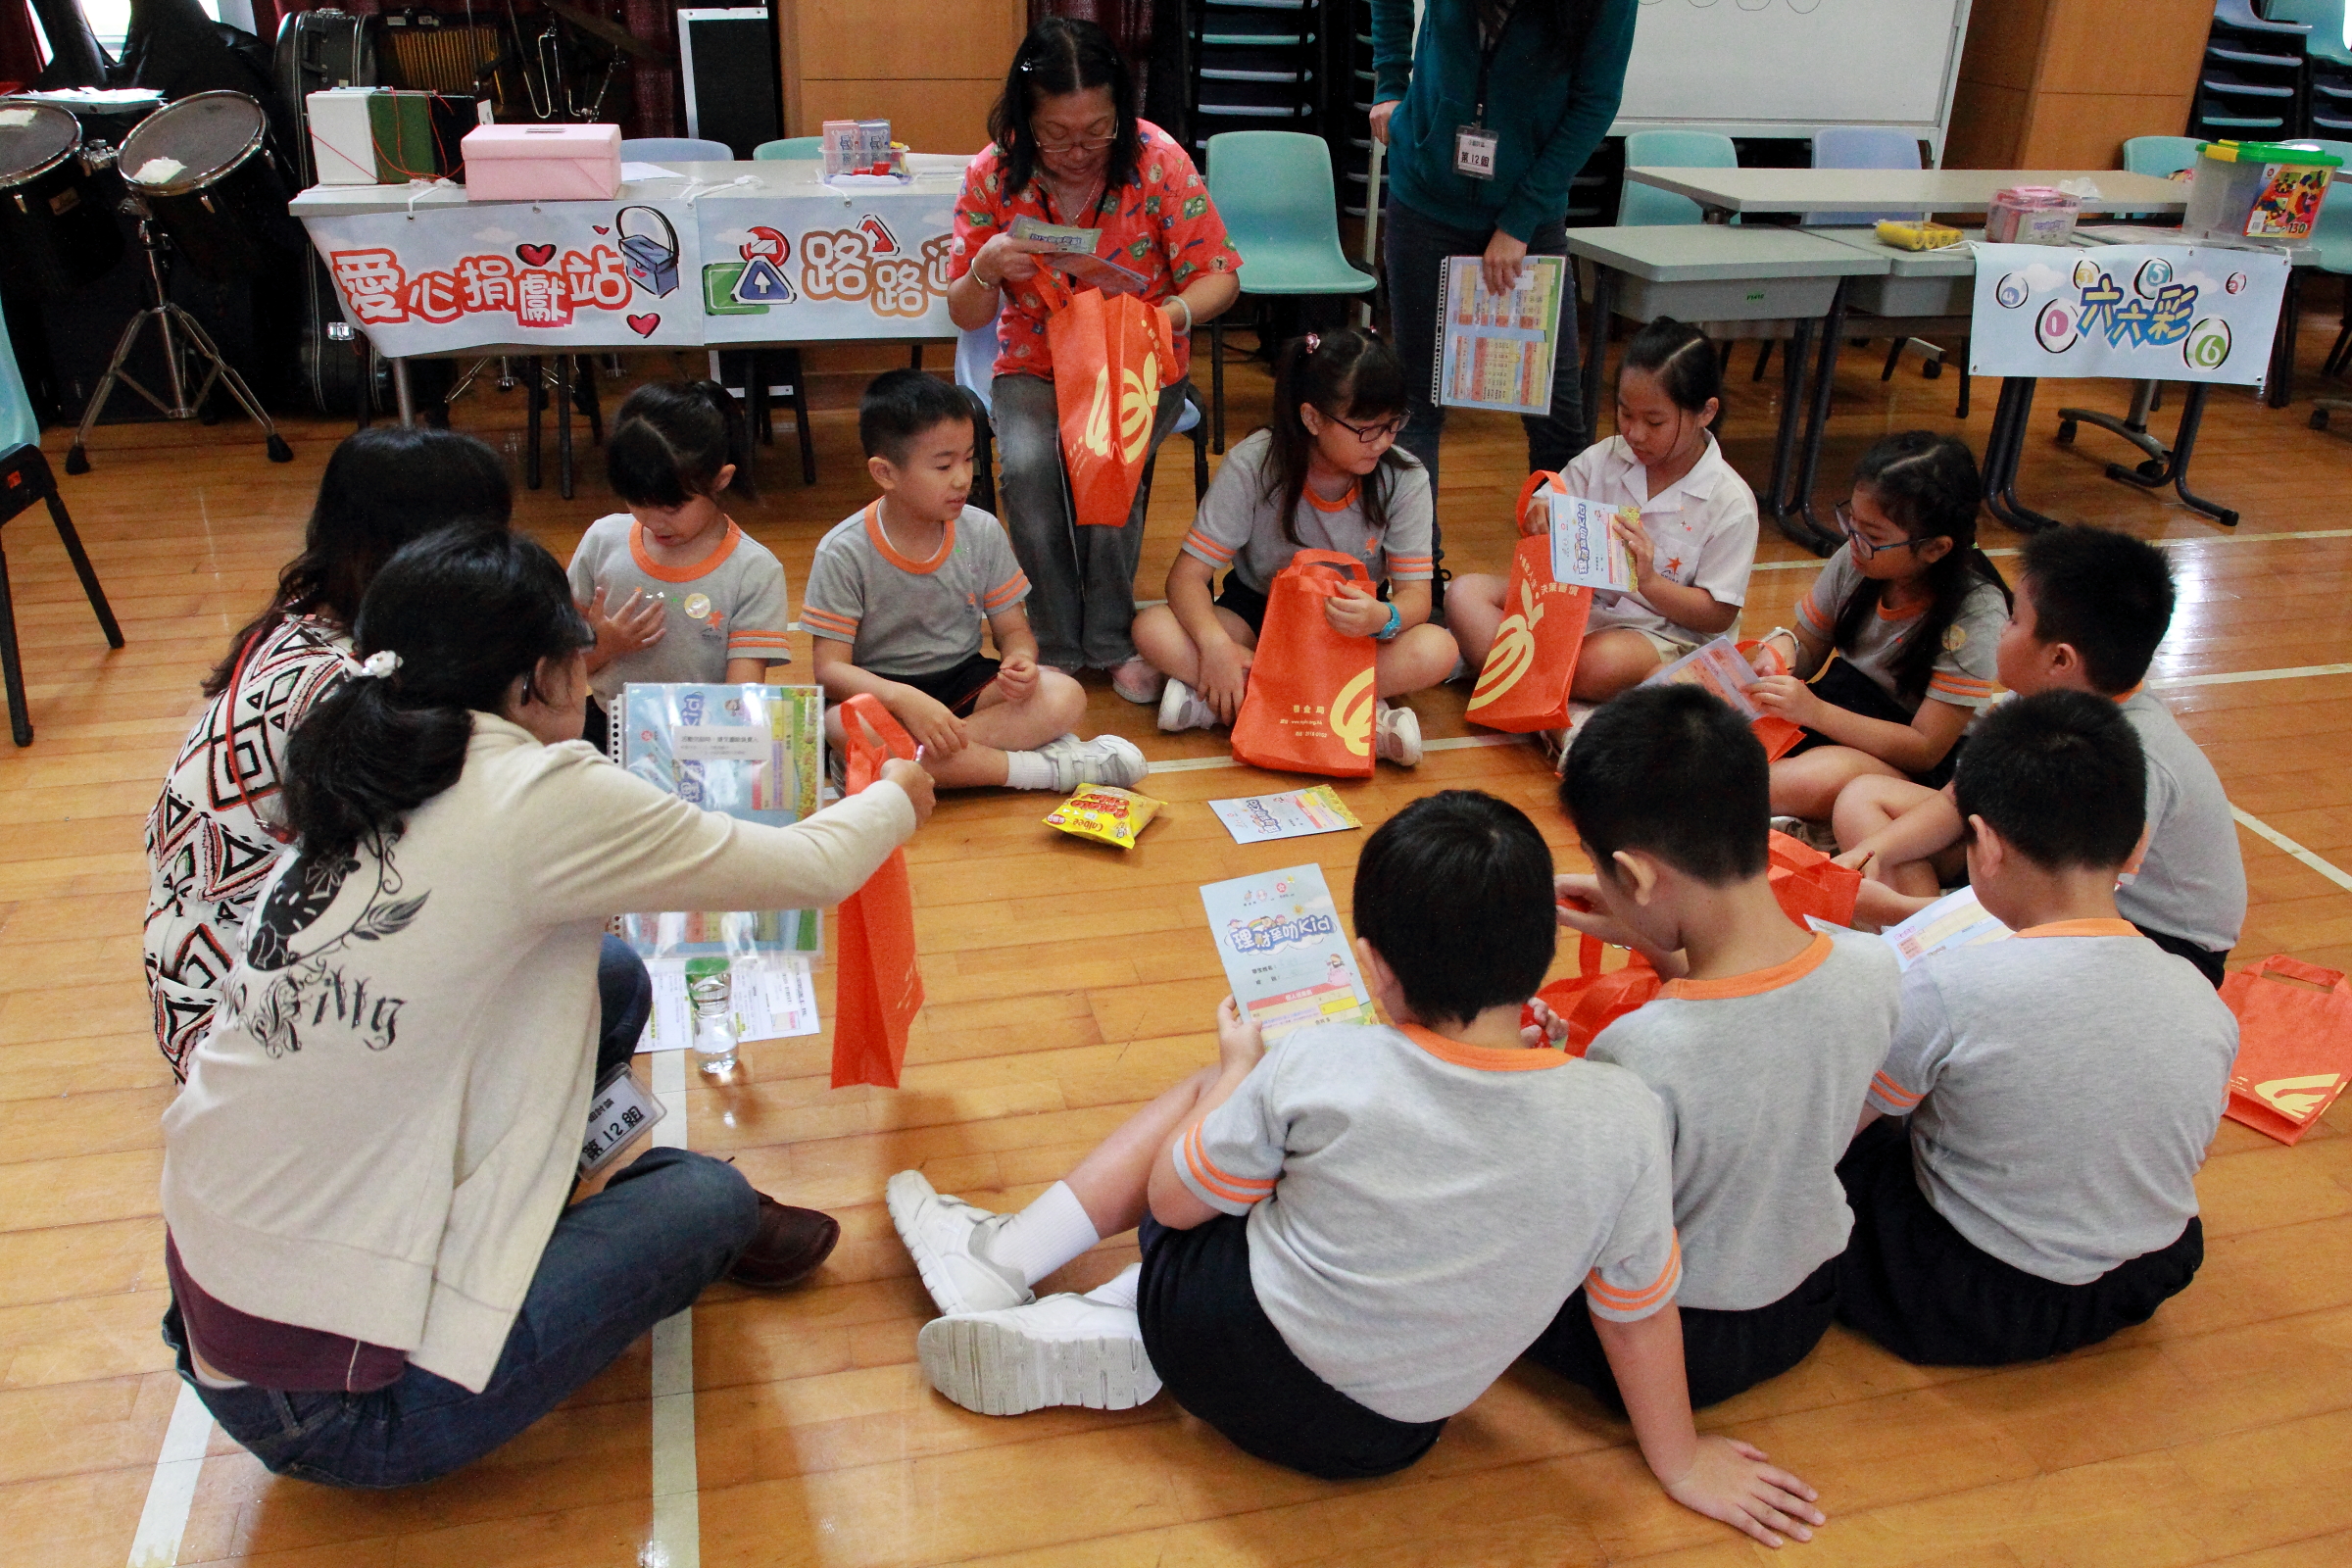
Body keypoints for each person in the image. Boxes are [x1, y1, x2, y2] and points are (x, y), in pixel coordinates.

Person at [159, 527, 933, 1488]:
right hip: (338, 1404)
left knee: (611, 975)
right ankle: (621, 1209)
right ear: (536, 682)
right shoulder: (537, 788)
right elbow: (813, 868)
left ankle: (570, 1192)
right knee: (709, 1203)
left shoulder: (372, 753)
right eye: (579, 654)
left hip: (215, 1293)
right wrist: (899, 794)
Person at [883, 792, 1826, 1548]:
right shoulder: (1624, 1116)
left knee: (1218, 1120)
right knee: (1313, 1173)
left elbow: (1171, 1200)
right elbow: (1636, 1316)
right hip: (1383, 1441)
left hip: (1221, 1339)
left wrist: (1235, 1074)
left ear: (1371, 965)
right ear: (1541, 957)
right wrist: (1682, 1464)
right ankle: (1099, 1320)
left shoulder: (1319, 1063)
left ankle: (1014, 1263)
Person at [1838, 690, 2237, 1367]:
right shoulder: (2203, 1001)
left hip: (1974, 1293)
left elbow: (1834, 1127)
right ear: (2135, 844)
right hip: (2139, 1275)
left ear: (1985, 847)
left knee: (1841, 1145)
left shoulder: (1950, 986)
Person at [1537, 687, 1899, 1409]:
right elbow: (1751, 1049)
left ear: (1635, 874)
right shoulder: (1874, 967)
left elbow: (1621, 1259)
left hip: (1686, 1340)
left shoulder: (1639, 1051)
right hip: (1810, 1295)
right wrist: (1648, 930)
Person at [144, 426, 511, 1080]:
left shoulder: (305, 615)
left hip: (195, 966)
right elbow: (420, 857)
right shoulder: (352, 688)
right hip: (241, 1021)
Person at [947, 16, 1243, 695]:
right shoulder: (993, 173)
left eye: (1096, 130)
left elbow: (1220, 275)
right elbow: (966, 312)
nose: (1077, 151)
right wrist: (987, 266)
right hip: (1036, 358)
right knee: (1026, 468)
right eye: (1055, 133)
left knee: (1111, 457)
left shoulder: (1156, 158)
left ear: (1122, 114)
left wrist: (1165, 315)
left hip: (1136, 355)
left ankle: (1109, 634)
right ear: (1026, 118)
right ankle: (1055, 638)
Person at [1830, 526, 2246, 986]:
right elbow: (1955, 801)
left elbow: (2069, 906)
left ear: (2060, 660)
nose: (2000, 630)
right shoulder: (2031, 702)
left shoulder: (2126, 760)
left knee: (1991, 956)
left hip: (2154, 947)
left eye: (2013, 621)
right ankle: (1919, 939)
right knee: (1864, 799)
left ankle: (1918, 940)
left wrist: (1901, 910)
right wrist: (1870, 854)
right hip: (2054, 887)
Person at [1370, 0, 1640, 557]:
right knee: (1418, 403)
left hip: (1530, 213)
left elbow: (1595, 102)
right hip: (1426, 198)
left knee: (1557, 408)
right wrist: (1390, 84)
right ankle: (1421, 573)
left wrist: (1520, 220)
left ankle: (1568, 576)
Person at [804, 368, 1149, 792]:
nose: (963, 478)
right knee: (843, 724)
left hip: (967, 683)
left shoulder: (981, 530)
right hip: (883, 692)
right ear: (885, 473)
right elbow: (830, 668)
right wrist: (903, 700)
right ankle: (1039, 771)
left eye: (968, 458)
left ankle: (892, 766)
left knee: (1064, 694)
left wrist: (1019, 661)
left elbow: (1013, 631)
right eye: (943, 465)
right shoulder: (844, 550)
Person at [1131, 329, 1455, 765]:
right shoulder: (1256, 462)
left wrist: (1385, 616)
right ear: (1312, 418)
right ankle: (1355, 718)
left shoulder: (1405, 476)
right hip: (1260, 614)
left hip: (1350, 626)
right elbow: (1185, 578)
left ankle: (1231, 702)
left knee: (1439, 648)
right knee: (1153, 626)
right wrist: (1216, 647)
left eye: (1393, 424)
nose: (1382, 441)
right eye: (1365, 429)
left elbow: (1416, 595)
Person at [1446, 318, 1754, 701]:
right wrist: (1540, 510)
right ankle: (1534, 689)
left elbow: (1718, 614)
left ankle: (1513, 678)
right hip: (1578, 605)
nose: (1635, 433)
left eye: (1654, 421)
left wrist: (1650, 583)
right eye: (1625, 413)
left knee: (1597, 664)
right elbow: (1550, 495)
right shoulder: (1608, 456)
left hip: (1663, 631)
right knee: (1463, 594)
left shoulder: (1730, 502)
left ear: (1706, 413)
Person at [1745, 432, 2010, 821]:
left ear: (1935, 548)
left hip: (1907, 760)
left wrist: (1814, 712)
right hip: (1838, 708)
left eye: (1872, 536)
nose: (1853, 541)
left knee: (1788, 782)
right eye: (1851, 521)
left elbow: (1925, 749)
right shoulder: (1859, 558)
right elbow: (1808, 644)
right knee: (1713, 735)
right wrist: (1779, 657)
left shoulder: (1976, 612)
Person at [566, 380, 791, 756]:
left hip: (701, 741)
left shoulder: (754, 570)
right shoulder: (603, 540)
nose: (655, 521)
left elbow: (742, 696)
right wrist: (605, 647)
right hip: (610, 728)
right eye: (637, 501)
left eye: (672, 507)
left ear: (721, 479)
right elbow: (560, 668)